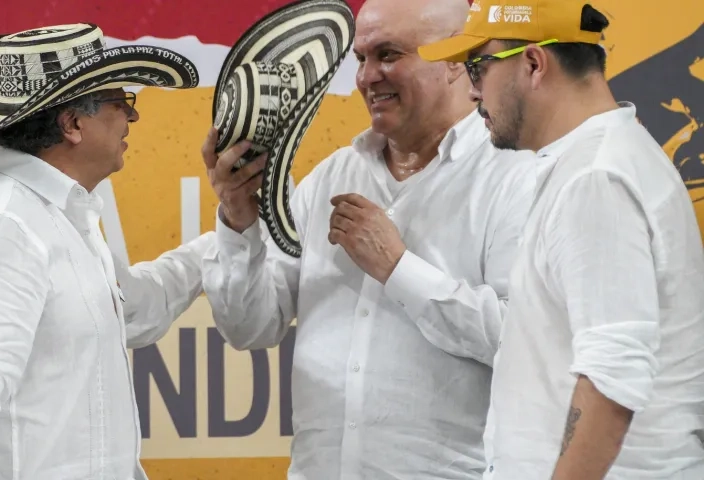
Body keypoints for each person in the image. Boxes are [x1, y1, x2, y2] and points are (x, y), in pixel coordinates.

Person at [199, 0, 540, 477]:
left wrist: (398, 269)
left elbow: (525, 342)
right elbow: (249, 328)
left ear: (455, 61)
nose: (366, 77)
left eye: (389, 54)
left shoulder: (515, 177)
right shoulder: (330, 177)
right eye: (360, 59)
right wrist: (239, 223)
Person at [0, 24, 208, 479]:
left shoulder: (50, 216)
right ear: (71, 124)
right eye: (121, 102)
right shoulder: (4, 226)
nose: (132, 118)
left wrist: (226, 238)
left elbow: (133, 307)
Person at [417, 1, 704, 479]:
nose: (471, 92)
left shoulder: (595, 178)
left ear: (533, 64)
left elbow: (613, 374)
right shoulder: (598, 161)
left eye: (479, 68)